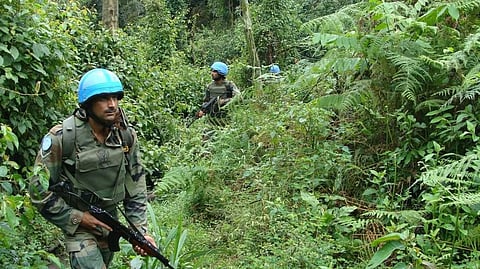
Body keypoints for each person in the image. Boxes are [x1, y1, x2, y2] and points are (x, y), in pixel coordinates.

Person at [28, 68, 156, 269]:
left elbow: (136, 187)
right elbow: (38, 191)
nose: (112, 104)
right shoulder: (61, 138)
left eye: (115, 97)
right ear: (87, 103)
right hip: (79, 224)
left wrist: (141, 232)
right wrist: (77, 218)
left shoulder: (126, 136)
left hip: (109, 220)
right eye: (103, 99)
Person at [196, 61, 240, 126]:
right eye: (212, 71)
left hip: (226, 119)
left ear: (220, 73)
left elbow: (239, 98)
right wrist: (203, 111)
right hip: (211, 120)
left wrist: (224, 101)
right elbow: (206, 101)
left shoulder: (229, 85)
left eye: (214, 71)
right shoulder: (210, 86)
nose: (212, 73)